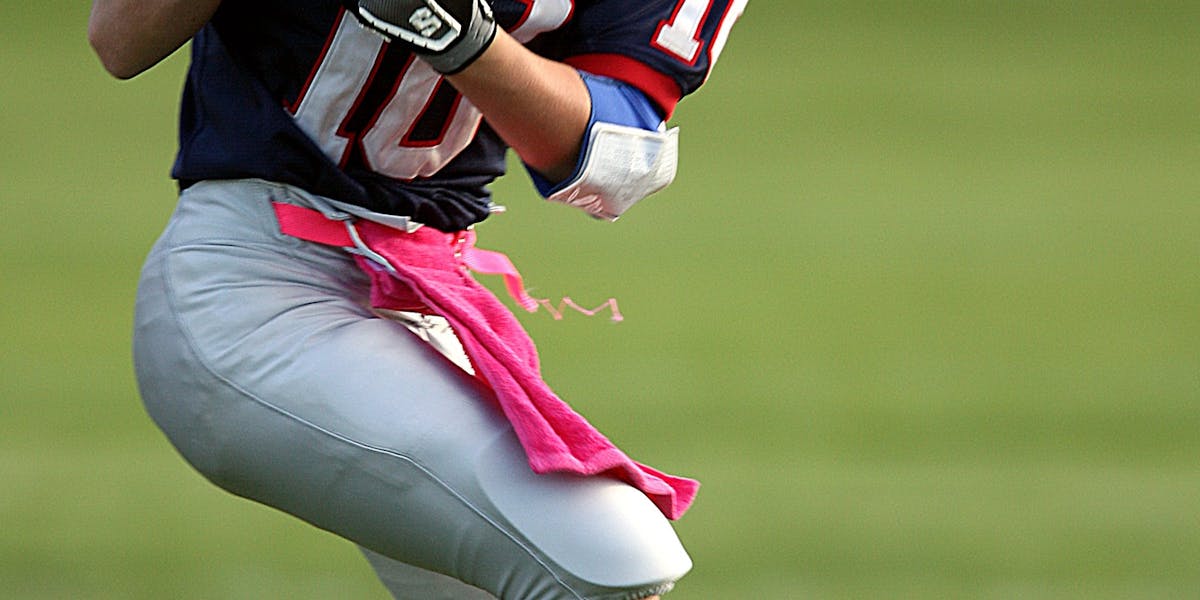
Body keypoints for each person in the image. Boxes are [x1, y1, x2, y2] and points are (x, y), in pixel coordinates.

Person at [89, 0, 744, 597]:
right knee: (611, 561)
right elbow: (120, 39)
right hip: (251, 284)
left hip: (417, 298)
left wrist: (458, 37)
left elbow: (615, 159)